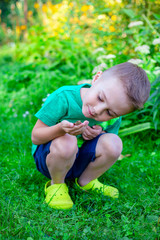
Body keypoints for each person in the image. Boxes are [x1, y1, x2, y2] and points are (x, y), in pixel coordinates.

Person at [31, 62, 150, 210]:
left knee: (114, 143)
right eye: (100, 98)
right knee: (67, 140)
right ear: (96, 79)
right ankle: (57, 185)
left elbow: (107, 143)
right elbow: (36, 136)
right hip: (51, 159)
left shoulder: (114, 116)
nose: (98, 111)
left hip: (80, 162)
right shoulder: (64, 97)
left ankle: (86, 181)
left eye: (110, 113)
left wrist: (99, 133)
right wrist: (61, 129)